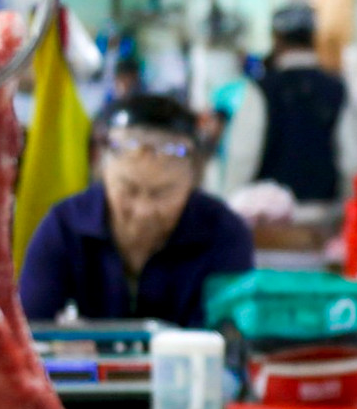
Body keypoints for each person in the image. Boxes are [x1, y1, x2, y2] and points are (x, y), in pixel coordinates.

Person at [19, 95, 253, 329]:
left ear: (193, 181)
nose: (143, 211)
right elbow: (29, 329)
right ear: (103, 172)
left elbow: (230, 336)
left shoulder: (225, 234)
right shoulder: (65, 225)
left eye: (161, 193)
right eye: (129, 189)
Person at [221, 3, 357, 204]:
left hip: (268, 222)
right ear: (313, 37)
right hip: (323, 218)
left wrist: (231, 205)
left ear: (276, 38)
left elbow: (242, 159)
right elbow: (353, 162)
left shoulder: (261, 90)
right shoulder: (336, 90)